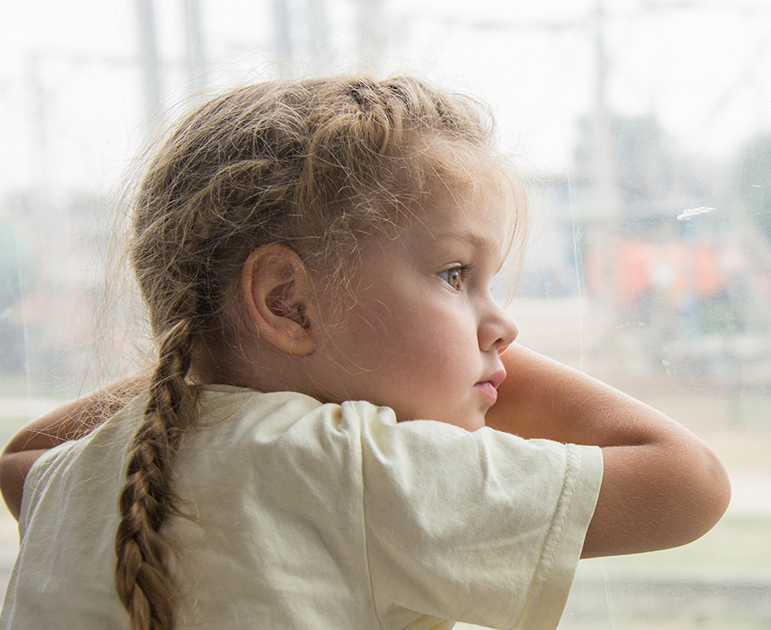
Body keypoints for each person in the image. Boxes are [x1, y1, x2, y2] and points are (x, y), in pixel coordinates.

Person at [0, 75, 729, 630]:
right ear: (286, 301)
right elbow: (689, 484)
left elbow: (25, 458)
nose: (502, 323)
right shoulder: (353, 470)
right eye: (455, 276)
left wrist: (197, 346)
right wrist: (488, 369)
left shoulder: (83, 476)